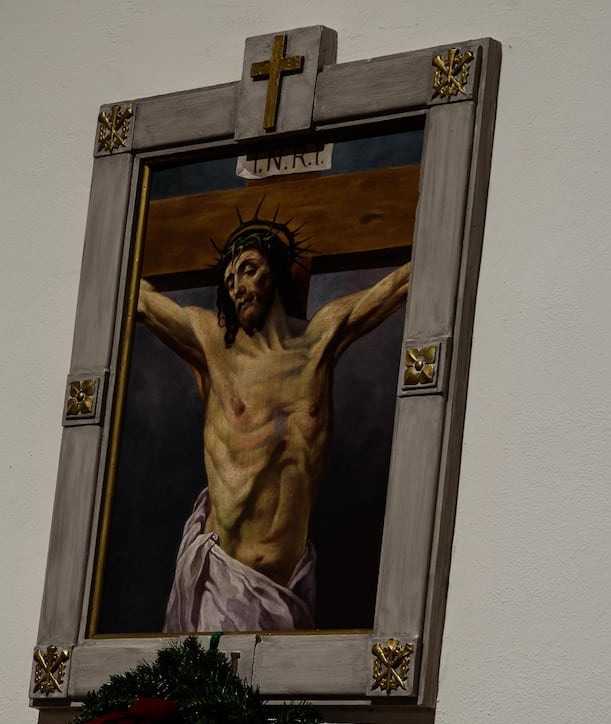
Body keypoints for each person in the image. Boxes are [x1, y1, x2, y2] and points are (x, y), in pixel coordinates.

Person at [135, 216, 409, 631]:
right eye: (229, 280)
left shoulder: (321, 339)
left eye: (248, 269)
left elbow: (404, 283)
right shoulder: (211, 344)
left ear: (276, 271)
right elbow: (132, 296)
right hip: (222, 585)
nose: (238, 286)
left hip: (290, 587)